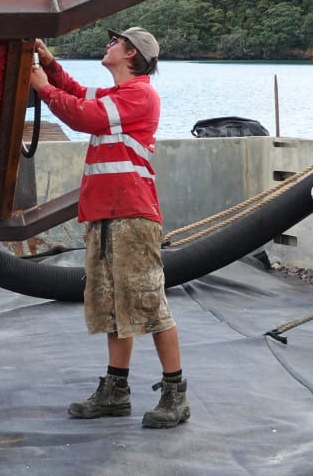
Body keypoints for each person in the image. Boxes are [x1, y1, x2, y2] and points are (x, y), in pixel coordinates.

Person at [29, 27, 189, 429]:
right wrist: (49, 65)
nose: (108, 45)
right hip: (105, 213)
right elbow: (81, 95)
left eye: (115, 42)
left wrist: (43, 89)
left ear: (131, 54)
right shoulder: (118, 95)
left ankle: (175, 394)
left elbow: (84, 116)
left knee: (148, 304)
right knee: (114, 305)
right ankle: (116, 390)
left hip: (132, 215)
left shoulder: (139, 95)